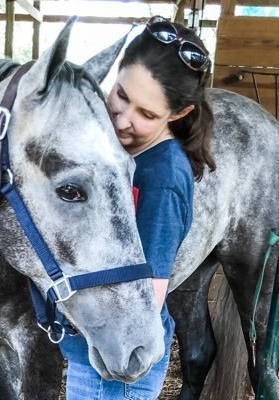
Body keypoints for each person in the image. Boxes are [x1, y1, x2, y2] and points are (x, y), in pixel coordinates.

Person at [59, 15, 216, 400]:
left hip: (116, 364)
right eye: (121, 95)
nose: (123, 120)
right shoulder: (117, 156)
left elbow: (147, 296)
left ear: (177, 115)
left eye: (146, 114)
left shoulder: (161, 175)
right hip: (95, 353)